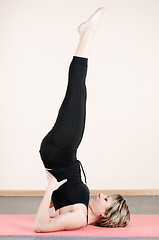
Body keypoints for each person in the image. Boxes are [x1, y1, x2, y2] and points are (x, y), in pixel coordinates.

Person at [34, 7, 130, 233]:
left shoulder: (79, 218)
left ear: (105, 213)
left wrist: (50, 188)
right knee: (80, 92)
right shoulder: (81, 209)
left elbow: (40, 226)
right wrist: (53, 197)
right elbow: (54, 210)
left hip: (61, 151)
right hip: (62, 152)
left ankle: (86, 34)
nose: (103, 195)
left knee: (76, 89)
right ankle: (86, 34)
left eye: (107, 200)